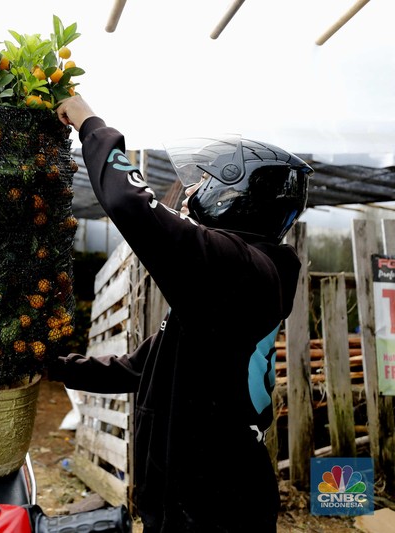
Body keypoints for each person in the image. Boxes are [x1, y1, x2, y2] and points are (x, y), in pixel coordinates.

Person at [52, 96, 313, 532]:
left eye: (201, 183)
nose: (190, 193)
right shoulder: (235, 281)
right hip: (196, 497)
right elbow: (135, 370)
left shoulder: (240, 269)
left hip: (213, 506)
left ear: (238, 193)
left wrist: (90, 125)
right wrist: (47, 366)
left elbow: (132, 206)